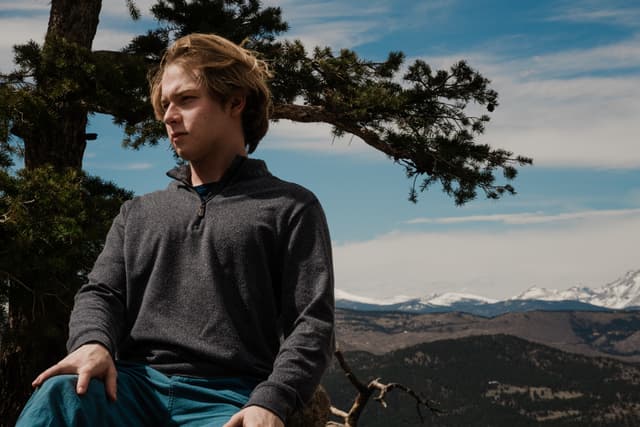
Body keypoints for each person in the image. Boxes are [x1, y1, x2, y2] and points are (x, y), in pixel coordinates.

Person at [16, 33, 335, 427]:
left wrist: (271, 401)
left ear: (235, 101)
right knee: (60, 396)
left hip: (230, 398)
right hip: (131, 388)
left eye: (186, 100)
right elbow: (101, 293)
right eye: (165, 103)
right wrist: (92, 342)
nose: (168, 116)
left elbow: (312, 323)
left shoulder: (290, 207)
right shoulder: (138, 212)